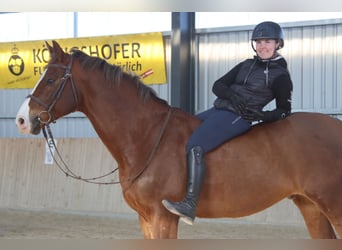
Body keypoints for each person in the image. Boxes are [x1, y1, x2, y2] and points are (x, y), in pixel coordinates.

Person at [162, 21, 293, 225]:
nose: (262, 46)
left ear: (278, 44)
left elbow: (284, 111)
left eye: (268, 41)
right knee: (181, 130)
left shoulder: (281, 76)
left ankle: (189, 204)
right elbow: (218, 85)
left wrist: (261, 115)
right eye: (259, 42)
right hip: (219, 109)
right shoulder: (245, 65)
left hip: (238, 117)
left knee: (195, 145)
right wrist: (232, 94)